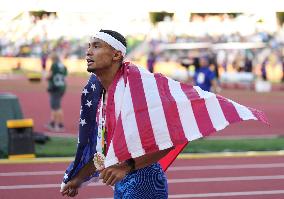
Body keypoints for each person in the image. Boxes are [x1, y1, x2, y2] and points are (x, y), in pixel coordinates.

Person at [60, 30, 267, 198]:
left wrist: (127, 166)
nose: (88, 52)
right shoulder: (99, 94)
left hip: (144, 181)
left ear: (116, 55)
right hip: (121, 182)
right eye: (88, 46)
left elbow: (169, 137)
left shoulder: (140, 88)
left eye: (96, 46)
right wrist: (79, 178)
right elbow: (103, 145)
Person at [46, 52, 68, 132]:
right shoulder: (64, 67)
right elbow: (65, 79)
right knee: (54, 106)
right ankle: (52, 122)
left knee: (56, 107)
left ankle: (60, 125)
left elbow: (49, 76)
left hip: (55, 88)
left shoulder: (54, 65)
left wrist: (46, 77)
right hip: (61, 88)